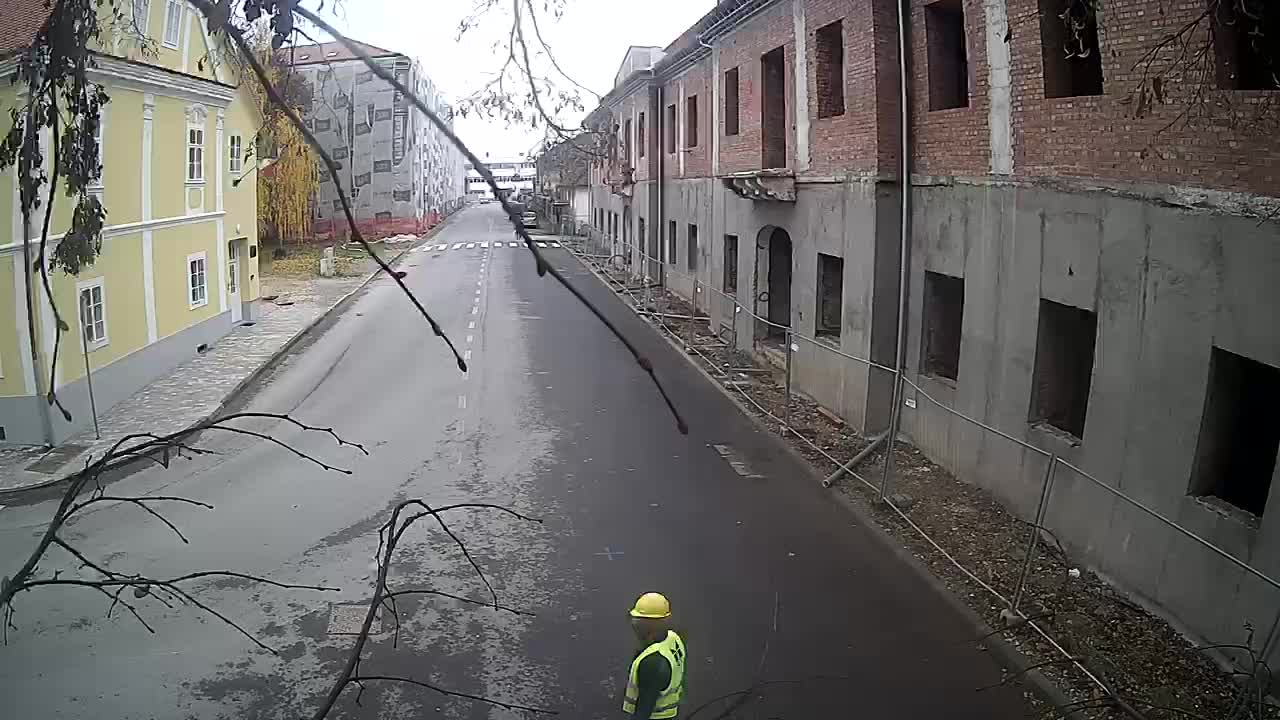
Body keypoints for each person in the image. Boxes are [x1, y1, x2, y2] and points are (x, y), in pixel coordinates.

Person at [622, 592, 687, 719]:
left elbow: (643, 712)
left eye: (638, 623)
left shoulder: (652, 663)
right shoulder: (673, 638)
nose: (635, 627)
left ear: (650, 625)